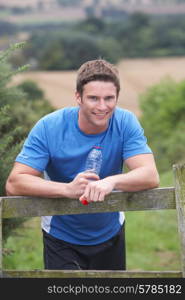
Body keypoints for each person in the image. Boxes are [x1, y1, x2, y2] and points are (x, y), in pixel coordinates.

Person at [5, 59, 159, 271]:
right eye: (93, 98)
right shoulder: (48, 127)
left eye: (109, 98)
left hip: (110, 231)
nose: (102, 106)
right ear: (78, 97)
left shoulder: (125, 122)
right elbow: (15, 182)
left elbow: (150, 175)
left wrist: (111, 182)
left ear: (117, 98)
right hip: (60, 236)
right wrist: (67, 189)